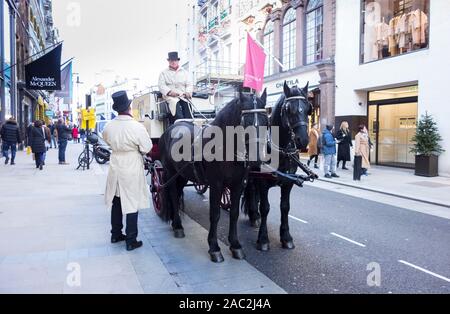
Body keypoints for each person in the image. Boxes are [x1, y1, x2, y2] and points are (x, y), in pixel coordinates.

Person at [103, 91, 153, 251]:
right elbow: (147, 147)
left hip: (115, 164)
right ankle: (131, 239)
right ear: (129, 107)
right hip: (130, 164)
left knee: (116, 200)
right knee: (131, 202)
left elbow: (106, 139)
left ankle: (116, 233)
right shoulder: (136, 126)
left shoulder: (108, 126)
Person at [158, 51, 193, 124]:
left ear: (178, 61)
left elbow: (189, 84)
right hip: (171, 96)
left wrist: (188, 92)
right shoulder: (163, 73)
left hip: (183, 95)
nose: (173, 62)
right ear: (168, 61)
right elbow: (161, 85)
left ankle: (189, 125)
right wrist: (170, 92)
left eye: (175, 60)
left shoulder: (185, 72)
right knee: (175, 107)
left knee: (188, 108)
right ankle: (179, 123)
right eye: (171, 60)